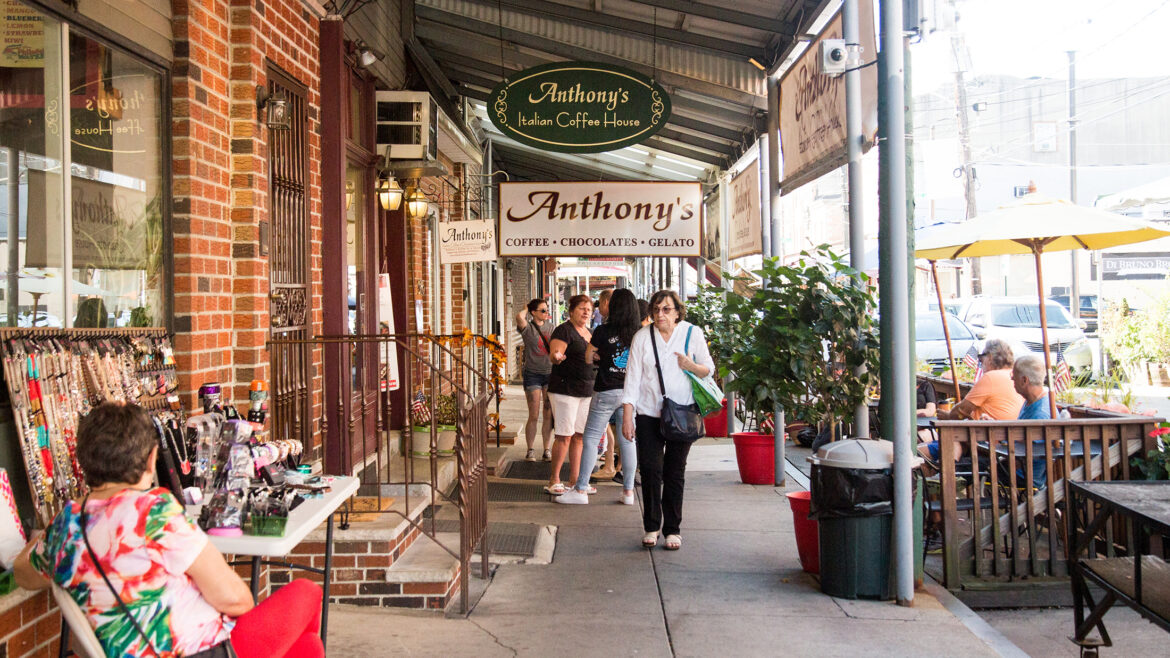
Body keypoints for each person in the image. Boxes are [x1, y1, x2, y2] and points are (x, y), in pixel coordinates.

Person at [13, 402, 324, 658]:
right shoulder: (153, 511)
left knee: (307, 646)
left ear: (83, 462)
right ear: (151, 460)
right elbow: (236, 600)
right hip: (202, 651)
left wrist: (60, 522)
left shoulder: (66, 527)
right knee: (306, 592)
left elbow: (23, 573)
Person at [621, 290, 714, 551]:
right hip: (648, 413)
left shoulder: (692, 333)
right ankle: (651, 526)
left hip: (682, 412)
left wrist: (690, 366)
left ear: (677, 312)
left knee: (675, 472)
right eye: (656, 309)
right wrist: (627, 415)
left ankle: (673, 529)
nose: (660, 314)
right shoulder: (642, 337)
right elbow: (632, 378)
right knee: (650, 469)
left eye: (666, 309)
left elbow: (708, 368)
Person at [556, 289, 641, 505]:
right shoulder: (640, 333)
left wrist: (600, 357)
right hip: (630, 393)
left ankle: (581, 489)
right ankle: (628, 492)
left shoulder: (603, 330)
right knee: (628, 440)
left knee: (591, 438)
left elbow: (588, 357)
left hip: (606, 390)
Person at [924, 339, 1024, 462]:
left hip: (989, 444)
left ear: (990, 357)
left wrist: (948, 416)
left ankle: (947, 470)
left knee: (942, 443)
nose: (980, 362)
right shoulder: (1013, 375)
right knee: (950, 440)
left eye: (981, 358)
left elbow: (961, 411)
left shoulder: (991, 377)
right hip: (1009, 444)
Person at [545, 295, 596, 495]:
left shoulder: (590, 332)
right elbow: (554, 354)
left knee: (579, 436)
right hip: (565, 390)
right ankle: (554, 479)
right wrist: (557, 357)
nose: (586, 312)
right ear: (572, 311)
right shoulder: (564, 330)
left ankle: (576, 480)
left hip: (586, 390)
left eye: (589, 309)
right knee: (564, 435)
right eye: (582, 308)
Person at [517, 298, 555, 461]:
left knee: (548, 413)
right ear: (533, 312)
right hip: (532, 374)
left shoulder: (551, 327)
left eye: (547, 309)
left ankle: (546, 449)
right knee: (533, 414)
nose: (546, 313)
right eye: (543, 310)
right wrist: (526, 307)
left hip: (549, 373)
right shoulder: (528, 328)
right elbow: (519, 317)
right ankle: (530, 449)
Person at [1013, 355, 1051, 420]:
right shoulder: (1031, 401)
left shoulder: (1040, 416)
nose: (1012, 378)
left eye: (1014, 376)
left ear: (1024, 380)